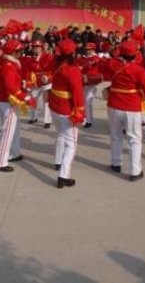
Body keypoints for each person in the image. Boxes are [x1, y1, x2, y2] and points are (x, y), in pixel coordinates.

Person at [101, 40, 145, 181]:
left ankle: (116, 163)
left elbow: (105, 64)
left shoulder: (113, 64)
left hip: (114, 105)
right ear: (135, 54)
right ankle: (135, 171)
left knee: (116, 136)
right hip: (131, 107)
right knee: (134, 139)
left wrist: (113, 55)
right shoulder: (137, 70)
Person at [0, 39, 35, 172]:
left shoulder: (10, 63)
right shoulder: (9, 65)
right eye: (18, 51)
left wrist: (23, 86)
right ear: (13, 52)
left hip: (8, 100)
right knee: (8, 132)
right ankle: (0, 162)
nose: (20, 53)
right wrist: (24, 97)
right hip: (8, 101)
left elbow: (13, 83)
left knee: (15, 129)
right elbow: (10, 86)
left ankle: (15, 152)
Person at [49, 39, 85, 188]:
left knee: (61, 136)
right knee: (71, 144)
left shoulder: (56, 65)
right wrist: (80, 112)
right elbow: (77, 92)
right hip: (67, 110)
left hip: (55, 108)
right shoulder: (72, 69)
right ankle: (63, 176)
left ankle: (59, 162)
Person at [80, 43, 103, 128]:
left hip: (92, 82)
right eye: (86, 49)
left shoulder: (95, 58)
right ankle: (86, 118)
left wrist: (85, 65)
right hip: (84, 81)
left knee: (87, 101)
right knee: (84, 101)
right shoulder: (84, 57)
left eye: (89, 49)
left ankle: (88, 121)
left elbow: (93, 63)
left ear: (93, 50)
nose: (87, 51)